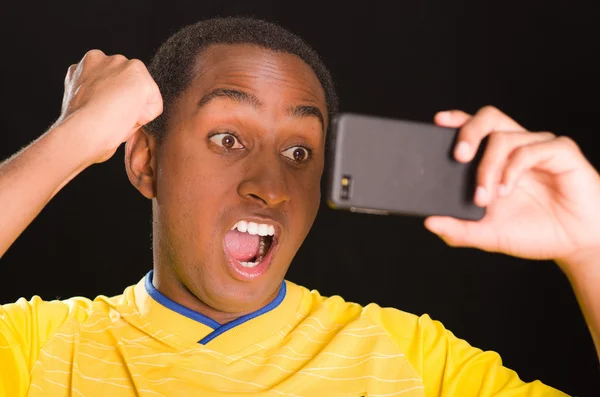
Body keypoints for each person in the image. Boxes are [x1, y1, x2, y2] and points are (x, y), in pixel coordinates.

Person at [0, 16, 598, 397]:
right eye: (228, 139)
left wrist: (589, 246)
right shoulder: (38, 348)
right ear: (144, 161)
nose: (271, 185)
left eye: (298, 151)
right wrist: (74, 138)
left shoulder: (412, 357)